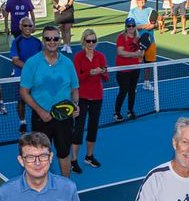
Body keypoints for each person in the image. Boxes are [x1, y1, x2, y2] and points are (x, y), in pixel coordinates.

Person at [20, 26, 80, 177]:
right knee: (40, 155)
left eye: (55, 38)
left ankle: (66, 184)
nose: (52, 41)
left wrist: (75, 105)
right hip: (41, 119)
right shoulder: (32, 63)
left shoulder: (67, 63)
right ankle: (41, 185)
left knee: (64, 153)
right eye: (48, 38)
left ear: (60, 40)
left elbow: (74, 89)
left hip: (64, 118)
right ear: (43, 40)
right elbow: (24, 92)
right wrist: (40, 111)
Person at [70, 29, 107, 174]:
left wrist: (102, 72)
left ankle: (89, 156)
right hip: (82, 97)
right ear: (84, 41)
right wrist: (89, 73)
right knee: (78, 128)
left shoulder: (101, 56)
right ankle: (74, 160)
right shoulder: (78, 57)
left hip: (97, 96)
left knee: (93, 127)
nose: (91, 43)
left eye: (93, 41)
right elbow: (76, 79)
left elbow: (106, 77)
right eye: (88, 41)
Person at [10, 17, 42, 133]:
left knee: (37, 99)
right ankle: (22, 122)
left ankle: (37, 120)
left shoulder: (37, 42)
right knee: (21, 101)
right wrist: (30, 68)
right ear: (20, 27)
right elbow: (15, 60)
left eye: (30, 25)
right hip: (21, 77)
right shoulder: (16, 42)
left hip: (36, 78)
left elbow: (43, 58)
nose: (27, 28)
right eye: (25, 25)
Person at [114, 18, 144, 122]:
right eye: (128, 26)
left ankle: (130, 111)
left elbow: (141, 53)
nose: (131, 27)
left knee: (132, 90)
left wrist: (140, 54)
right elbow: (120, 52)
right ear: (126, 27)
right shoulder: (121, 37)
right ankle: (117, 113)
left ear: (135, 26)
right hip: (123, 69)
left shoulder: (138, 38)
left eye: (132, 25)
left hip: (135, 69)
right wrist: (134, 54)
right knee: (123, 91)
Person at [128, 0, 157, 90]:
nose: (142, 2)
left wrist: (153, 25)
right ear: (137, 2)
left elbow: (155, 23)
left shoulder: (150, 10)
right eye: (140, 0)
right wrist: (145, 26)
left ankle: (146, 83)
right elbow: (132, 26)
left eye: (144, 0)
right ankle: (133, 85)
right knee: (136, 64)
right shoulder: (132, 12)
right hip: (138, 42)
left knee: (149, 64)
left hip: (150, 41)